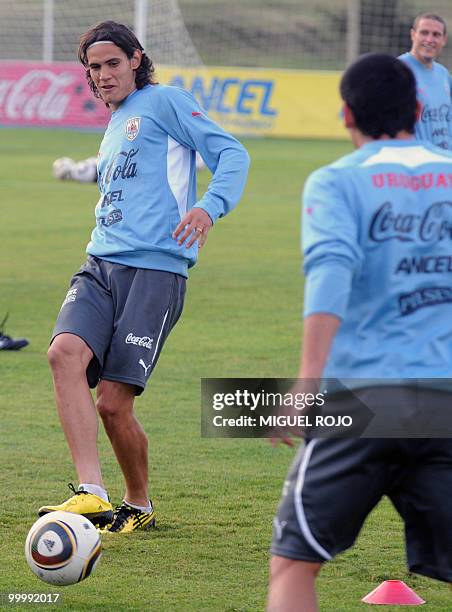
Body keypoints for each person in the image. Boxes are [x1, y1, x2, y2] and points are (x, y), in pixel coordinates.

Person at [38, 20, 249, 534]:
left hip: (156, 269)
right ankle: (91, 493)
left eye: (113, 63)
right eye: (95, 68)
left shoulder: (166, 102)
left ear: (136, 59)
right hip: (100, 262)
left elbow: (233, 154)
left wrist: (208, 207)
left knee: (113, 404)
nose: (104, 75)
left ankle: (138, 503)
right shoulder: (114, 123)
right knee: (62, 353)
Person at [268, 54, 452, 611]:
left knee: (293, 567)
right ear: (419, 110)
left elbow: (330, 274)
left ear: (346, 114)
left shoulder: (334, 181)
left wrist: (305, 385)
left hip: (363, 402)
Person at [399, 13, 452, 149]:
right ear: (413, 35)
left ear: (444, 40)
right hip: (416, 164)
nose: (429, 40)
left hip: (444, 162)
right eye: (424, 33)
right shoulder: (398, 70)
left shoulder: (444, 74)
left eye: (436, 35)